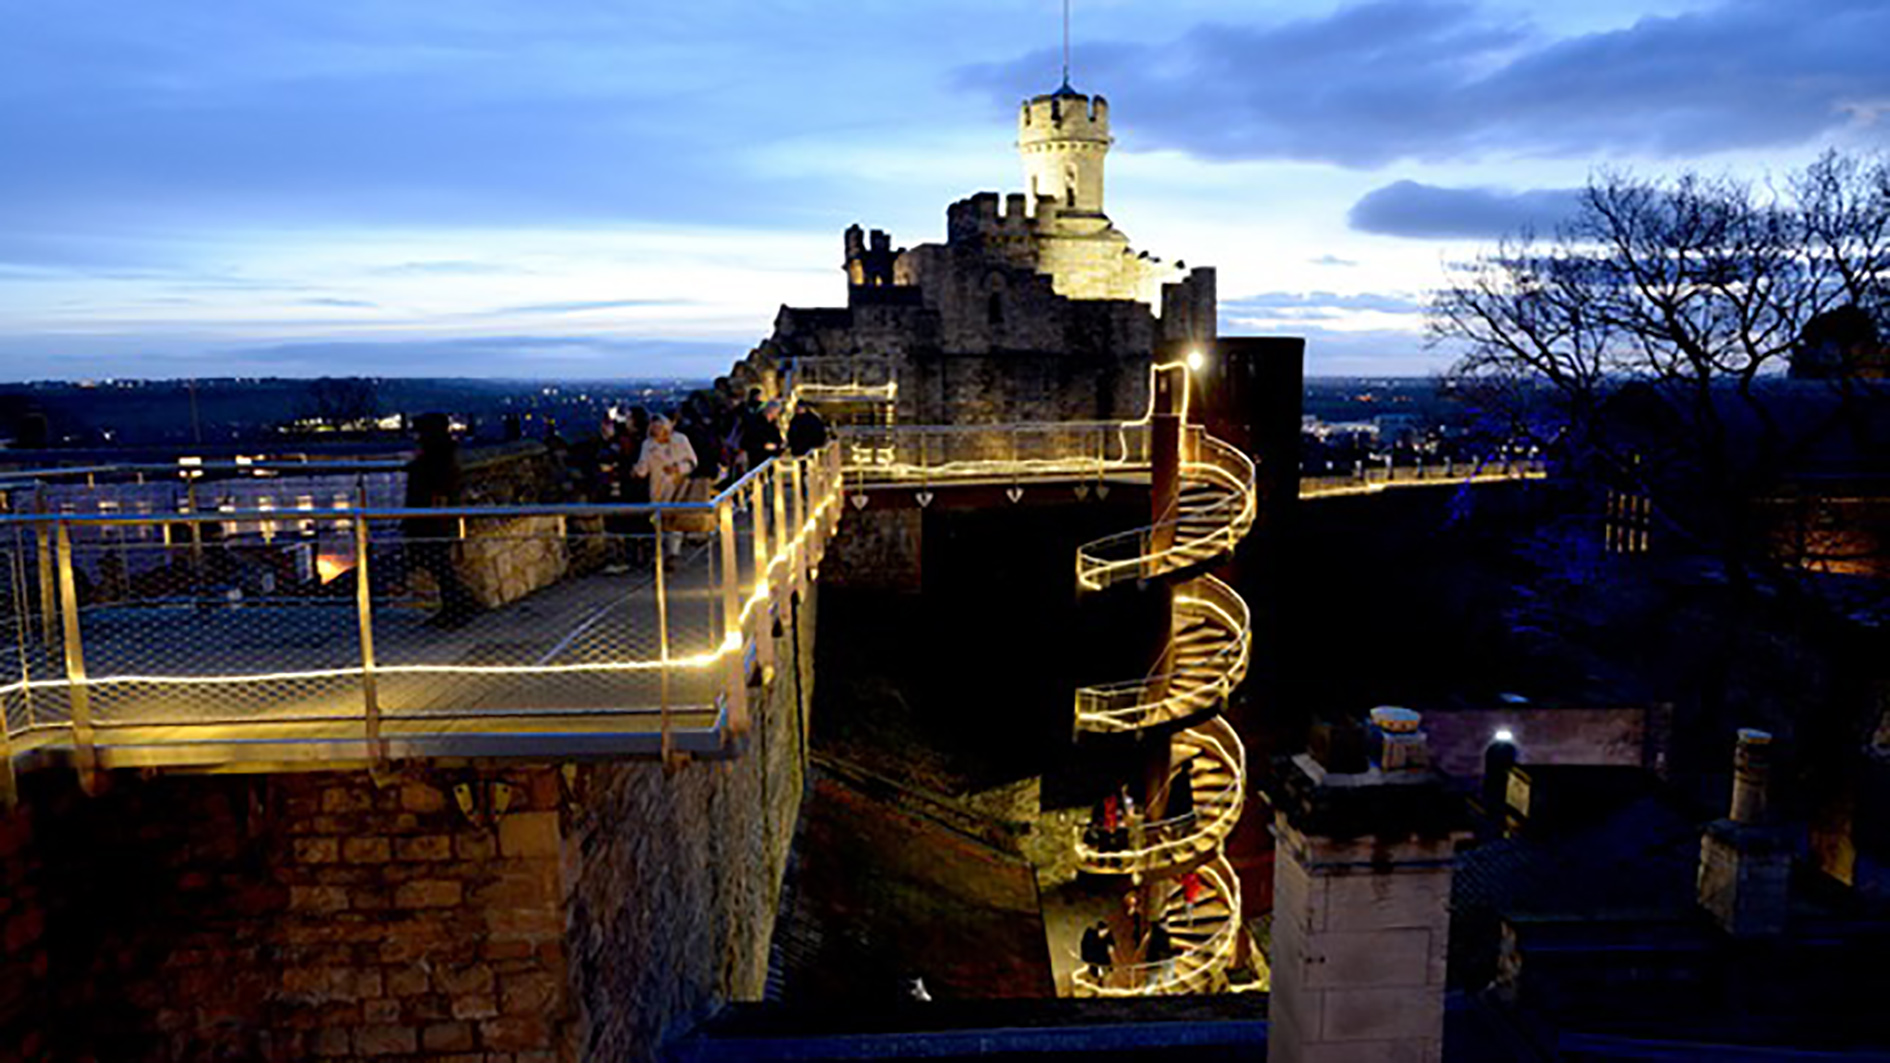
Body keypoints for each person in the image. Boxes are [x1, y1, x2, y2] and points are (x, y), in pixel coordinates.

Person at [403, 412, 478, 627]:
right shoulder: (441, 455)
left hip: (430, 520)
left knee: (439, 565)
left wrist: (433, 518)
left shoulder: (436, 459)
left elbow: (438, 489)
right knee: (439, 565)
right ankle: (455, 607)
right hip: (432, 518)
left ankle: (458, 607)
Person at [634, 415, 699, 558]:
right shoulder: (648, 445)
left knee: (676, 518)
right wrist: (636, 470)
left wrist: (678, 468)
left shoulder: (680, 440)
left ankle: (673, 553)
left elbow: (692, 461)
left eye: (660, 427)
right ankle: (661, 552)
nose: (657, 430)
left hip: (679, 485)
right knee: (660, 519)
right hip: (658, 487)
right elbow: (643, 469)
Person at [741, 400, 785, 470]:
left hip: (770, 461)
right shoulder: (754, 423)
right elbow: (747, 441)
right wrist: (763, 446)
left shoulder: (774, 426)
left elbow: (779, 441)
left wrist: (777, 446)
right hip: (756, 459)